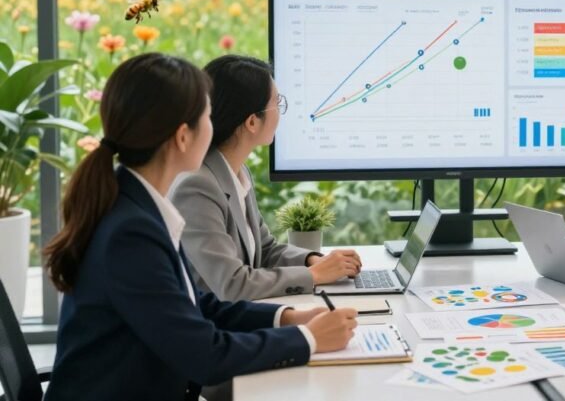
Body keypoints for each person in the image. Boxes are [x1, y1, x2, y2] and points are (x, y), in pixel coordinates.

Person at [42, 53, 357, 401]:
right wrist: (309, 339)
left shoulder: (137, 206)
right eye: (207, 116)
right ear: (182, 137)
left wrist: (287, 318)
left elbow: (195, 305)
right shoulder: (129, 234)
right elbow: (204, 355)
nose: (215, 125)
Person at [171, 55, 361, 301]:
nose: (280, 112)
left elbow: (266, 250)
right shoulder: (197, 186)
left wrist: (311, 260)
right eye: (277, 103)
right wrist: (314, 275)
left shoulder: (235, 171)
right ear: (252, 121)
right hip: (217, 328)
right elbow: (232, 285)